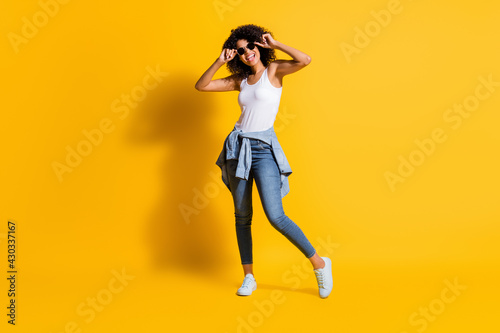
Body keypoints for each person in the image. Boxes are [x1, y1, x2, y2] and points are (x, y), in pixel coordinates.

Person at [195, 24, 333, 298]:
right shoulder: (240, 81)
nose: (247, 54)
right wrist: (219, 61)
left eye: (252, 47)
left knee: (275, 216)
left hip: (263, 148)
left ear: (260, 46)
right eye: (241, 51)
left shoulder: (274, 71)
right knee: (242, 216)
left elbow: (305, 60)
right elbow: (202, 86)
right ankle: (249, 277)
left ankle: (319, 262)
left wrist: (276, 44)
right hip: (239, 148)